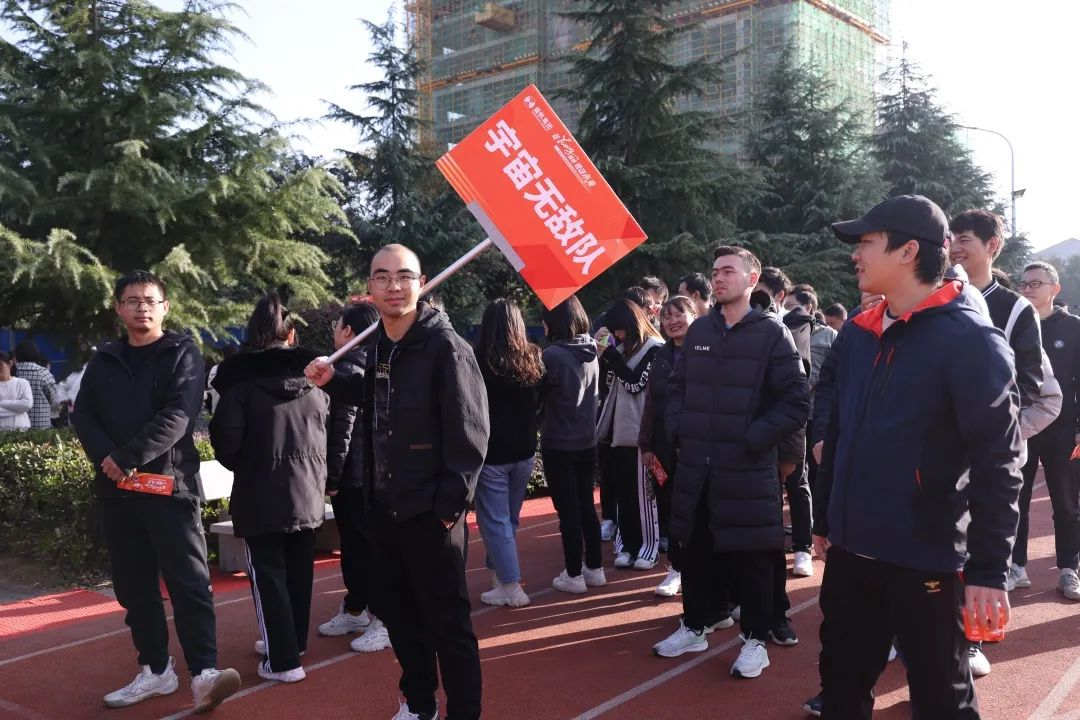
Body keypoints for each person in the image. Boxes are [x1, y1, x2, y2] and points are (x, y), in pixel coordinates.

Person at [816, 195, 1022, 718]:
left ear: (909, 251)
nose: (855, 254)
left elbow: (999, 461)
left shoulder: (971, 340)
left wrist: (988, 570)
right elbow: (839, 429)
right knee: (840, 691)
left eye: (866, 242)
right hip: (851, 551)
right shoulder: (858, 334)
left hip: (926, 559)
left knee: (941, 700)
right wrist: (825, 518)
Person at [305, 244, 488, 720]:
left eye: (404, 276)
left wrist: (446, 512)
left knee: (448, 626)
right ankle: (419, 705)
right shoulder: (381, 344)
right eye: (382, 277)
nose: (393, 286)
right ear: (370, 287)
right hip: (384, 510)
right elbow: (375, 398)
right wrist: (332, 380)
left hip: (430, 515)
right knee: (401, 619)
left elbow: (470, 438)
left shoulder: (447, 348)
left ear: (421, 283)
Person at [71, 270, 240, 712]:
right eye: (132, 300)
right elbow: (82, 414)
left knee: (189, 584)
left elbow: (178, 416)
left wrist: (126, 457)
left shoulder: (182, 354)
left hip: (169, 489)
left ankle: (204, 674)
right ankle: (156, 670)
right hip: (117, 493)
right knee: (134, 588)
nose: (141, 307)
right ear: (118, 309)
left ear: (165, 307)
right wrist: (108, 460)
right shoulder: (104, 359)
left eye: (150, 300)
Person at [665, 245, 810, 679]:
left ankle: (756, 641)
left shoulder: (771, 333)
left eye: (728, 270)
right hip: (698, 465)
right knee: (695, 550)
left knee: (753, 558)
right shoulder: (700, 330)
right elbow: (676, 388)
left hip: (747, 467)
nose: (719, 278)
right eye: (715, 271)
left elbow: (797, 400)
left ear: (752, 279)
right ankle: (695, 625)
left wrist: (753, 437)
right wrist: (680, 430)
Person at [209, 294, 329, 684]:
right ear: (290, 335)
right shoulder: (316, 384)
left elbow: (226, 443)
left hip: (260, 491)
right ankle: (292, 644)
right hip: (308, 491)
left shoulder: (239, 386)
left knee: (268, 576)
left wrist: (248, 464)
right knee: (298, 571)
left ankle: (282, 660)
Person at [317, 301, 392, 653]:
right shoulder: (370, 362)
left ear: (348, 331)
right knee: (357, 547)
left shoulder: (348, 367)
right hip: (363, 474)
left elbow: (342, 430)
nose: (334, 330)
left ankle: (381, 618)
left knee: (363, 548)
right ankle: (356, 608)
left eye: (337, 324)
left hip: (356, 477)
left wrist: (332, 477)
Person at [473, 298, 544, 608]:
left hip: (493, 453)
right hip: (525, 450)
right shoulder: (534, 357)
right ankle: (502, 576)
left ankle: (511, 584)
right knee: (508, 519)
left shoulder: (478, 360)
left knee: (495, 521)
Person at [1018, 261, 1080, 602]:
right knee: (1016, 500)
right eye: (1024, 284)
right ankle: (1016, 566)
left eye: (1035, 283)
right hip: (1023, 425)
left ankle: (1069, 568)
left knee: (1066, 503)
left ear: (1055, 289)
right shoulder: (1016, 323)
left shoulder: (1073, 328)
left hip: (1062, 429)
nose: (1027, 289)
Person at [540, 296, 608, 595]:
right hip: (586, 441)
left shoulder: (552, 355)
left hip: (559, 443)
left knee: (568, 512)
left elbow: (539, 398)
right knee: (586, 507)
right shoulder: (592, 350)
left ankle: (573, 572)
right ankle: (595, 567)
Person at [596, 299, 665, 570]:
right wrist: (605, 356)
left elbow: (635, 382)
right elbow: (608, 387)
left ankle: (648, 547)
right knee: (623, 494)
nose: (617, 335)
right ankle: (625, 545)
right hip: (618, 433)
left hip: (642, 435)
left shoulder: (655, 348)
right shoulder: (620, 350)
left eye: (619, 329)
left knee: (645, 496)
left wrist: (612, 357)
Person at [640, 296, 700, 598]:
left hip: (699, 445)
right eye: (667, 316)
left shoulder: (707, 350)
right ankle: (676, 568)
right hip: (664, 447)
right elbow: (651, 404)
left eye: (679, 314)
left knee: (701, 509)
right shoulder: (661, 356)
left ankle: (705, 573)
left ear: (694, 316)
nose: (673, 321)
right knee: (670, 506)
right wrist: (646, 445)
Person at [13, 340, 55, 430]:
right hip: (41, 427)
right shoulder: (43, 373)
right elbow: (55, 398)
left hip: (16, 427)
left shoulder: (11, 373)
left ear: (16, 356)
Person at [0, 351, 32, 430]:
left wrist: (1, 403)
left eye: (0, 364)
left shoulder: (22, 383)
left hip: (21, 430)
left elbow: (27, 404)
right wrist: (18, 409)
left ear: (10, 364)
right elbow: (23, 406)